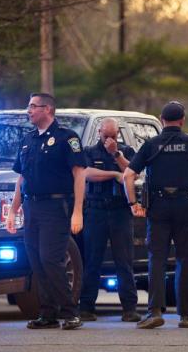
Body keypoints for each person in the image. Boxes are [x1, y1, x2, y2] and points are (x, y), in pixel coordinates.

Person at [123, 101, 188, 329]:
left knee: (157, 259)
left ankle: (155, 311)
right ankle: (186, 316)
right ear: (182, 120)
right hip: (186, 207)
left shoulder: (151, 145)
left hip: (158, 207)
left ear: (161, 119)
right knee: (186, 259)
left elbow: (127, 175)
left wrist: (133, 203)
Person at [7, 93, 86, 330]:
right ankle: (48, 313)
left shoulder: (67, 138)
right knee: (36, 261)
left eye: (33, 106)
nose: (28, 110)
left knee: (51, 259)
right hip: (32, 206)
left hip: (57, 206)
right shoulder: (28, 140)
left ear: (48, 109)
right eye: (28, 105)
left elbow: (79, 173)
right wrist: (13, 211)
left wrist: (78, 211)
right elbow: (22, 178)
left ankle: (71, 312)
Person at [78, 118, 141, 323]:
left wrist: (116, 155)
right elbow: (86, 173)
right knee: (92, 260)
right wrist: (114, 173)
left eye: (113, 136)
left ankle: (129, 309)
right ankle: (86, 307)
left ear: (118, 134)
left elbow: (132, 174)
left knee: (124, 261)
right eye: (106, 136)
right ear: (99, 133)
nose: (110, 139)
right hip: (96, 211)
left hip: (120, 211)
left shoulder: (127, 151)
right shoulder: (89, 152)